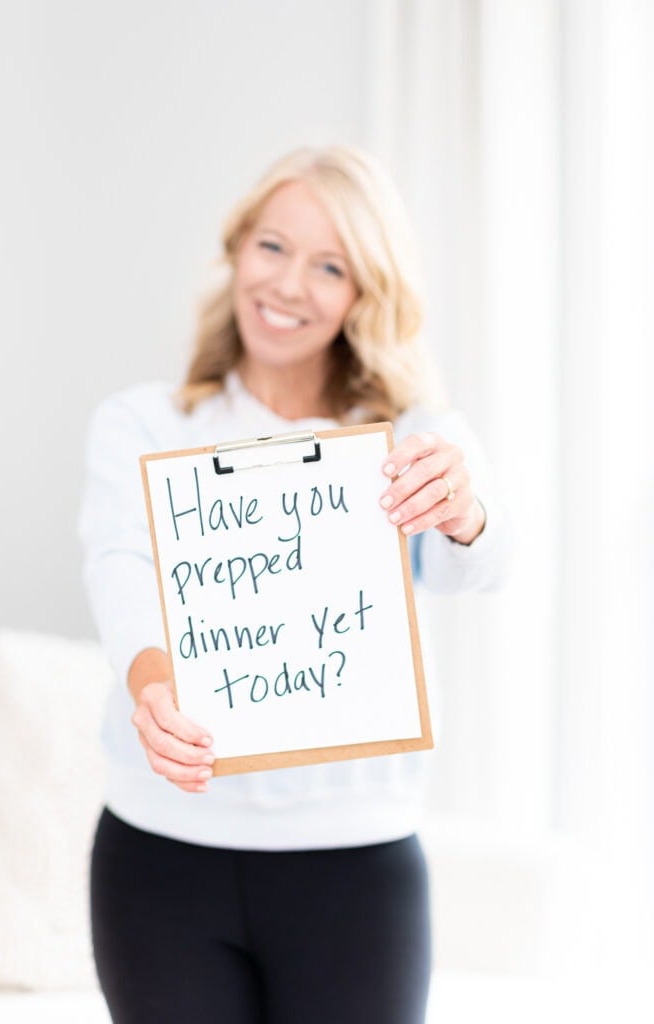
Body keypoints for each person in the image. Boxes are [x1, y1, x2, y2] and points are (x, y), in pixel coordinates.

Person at [80, 144, 510, 1024]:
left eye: (330, 266)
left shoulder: (413, 436)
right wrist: (152, 689)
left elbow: (484, 563)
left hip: (357, 858)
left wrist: (465, 509)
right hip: (162, 854)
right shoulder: (144, 423)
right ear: (236, 250)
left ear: (365, 294)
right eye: (271, 247)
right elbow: (120, 567)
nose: (287, 285)